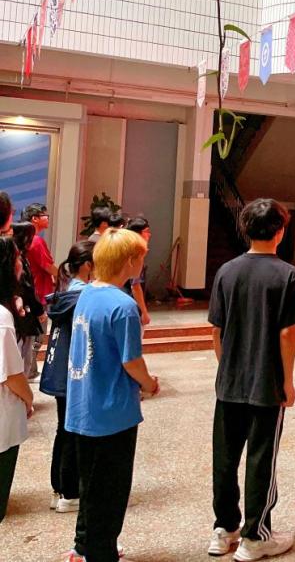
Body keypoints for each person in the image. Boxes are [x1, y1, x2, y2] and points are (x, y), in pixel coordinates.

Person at [208, 198, 295, 560]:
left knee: (225, 458)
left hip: (229, 382)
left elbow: (217, 331)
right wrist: (288, 381)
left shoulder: (226, 271)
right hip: (267, 383)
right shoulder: (288, 275)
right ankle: (255, 537)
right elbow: (287, 333)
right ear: (280, 231)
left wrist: (228, 368)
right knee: (261, 459)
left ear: (245, 229)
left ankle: (224, 529)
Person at [65, 228, 159, 562]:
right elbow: (131, 360)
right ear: (130, 261)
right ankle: (100, 554)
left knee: (91, 486)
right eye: (141, 258)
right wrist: (149, 384)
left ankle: (83, 546)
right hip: (112, 411)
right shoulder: (124, 306)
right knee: (110, 491)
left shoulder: (87, 293)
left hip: (83, 405)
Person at [40, 241, 94, 514]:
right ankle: (71, 492)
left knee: (64, 429)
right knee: (75, 430)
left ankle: (59, 488)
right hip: (78, 373)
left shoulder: (66, 292)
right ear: (88, 266)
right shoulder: (84, 298)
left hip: (62, 373)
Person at [1, 236, 33, 524]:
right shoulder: (2, 317)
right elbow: (12, 374)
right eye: (18, 259)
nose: (21, 263)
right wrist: (29, 398)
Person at [11, 222, 45, 380]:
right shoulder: (16, 258)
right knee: (21, 355)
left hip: (21, 311)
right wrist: (39, 310)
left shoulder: (19, 257)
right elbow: (27, 288)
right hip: (22, 313)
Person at [124, 217, 152, 326]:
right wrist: (144, 312)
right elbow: (135, 285)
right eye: (146, 231)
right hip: (130, 303)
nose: (149, 235)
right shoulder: (135, 253)